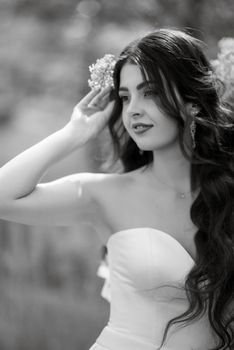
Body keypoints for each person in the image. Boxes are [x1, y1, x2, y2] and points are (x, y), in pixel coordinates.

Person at [0, 28, 233, 350]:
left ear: (192, 101)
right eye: (125, 97)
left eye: (149, 92)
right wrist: (74, 134)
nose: (133, 109)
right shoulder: (103, 194)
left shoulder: (226, 194)